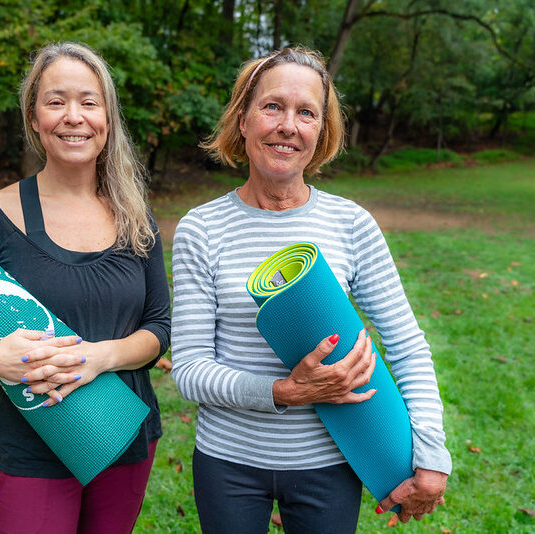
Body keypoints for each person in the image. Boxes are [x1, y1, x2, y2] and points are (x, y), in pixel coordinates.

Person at [170, 46, 451, 533]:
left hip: (330, 465)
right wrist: (285, 392)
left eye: (306, 113)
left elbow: (406, 344)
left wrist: (431, 451)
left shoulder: (351, 224)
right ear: (243, 119)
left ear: (321, 132)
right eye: (272, 106)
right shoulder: (202, 228)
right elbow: (190, 370)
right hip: (228, 464)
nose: (287, 125)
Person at [0, 42, 170, 533]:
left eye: (89, 101)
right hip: (32, 442)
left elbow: (159, 329)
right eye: (56, 101)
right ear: (34, 116)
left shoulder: (134, 216)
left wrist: (100, 358)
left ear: (107, 116)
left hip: (121, 434)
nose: (74, 117)